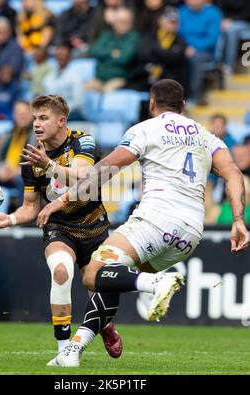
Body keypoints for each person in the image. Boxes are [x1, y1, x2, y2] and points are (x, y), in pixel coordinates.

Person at [34, 79, 249, 367]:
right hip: (190, 233)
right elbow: (233, 172)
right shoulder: (206, 136)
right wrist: (238, 220)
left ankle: (155, 282)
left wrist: (61, 200)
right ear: (183, 105)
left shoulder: (145, 129)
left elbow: (106, 169)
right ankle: (73, 350)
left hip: (156, 219)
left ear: (151, 104)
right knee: (114, 277)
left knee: (92, 274)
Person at [0, 95, 123, 358]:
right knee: (61, 271)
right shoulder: (32, 157)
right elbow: (31, 208)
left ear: (61, 121)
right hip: (59, 228)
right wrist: (9, 219)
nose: (36, 124)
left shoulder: (83, 141)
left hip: (94, 226)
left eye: (43, 118)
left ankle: (105, 324)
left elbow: (84, 178)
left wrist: (48, 165)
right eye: (35, 118)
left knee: (97, 287)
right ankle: (64, 350)